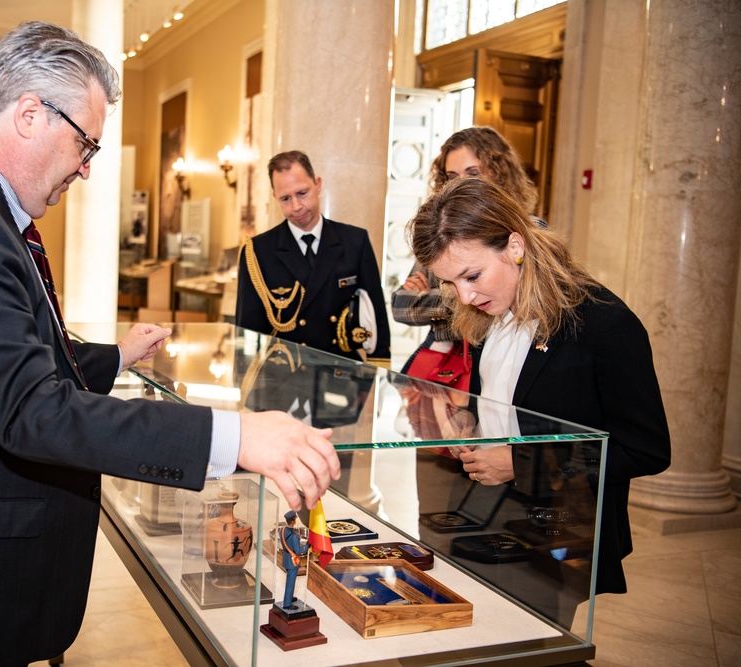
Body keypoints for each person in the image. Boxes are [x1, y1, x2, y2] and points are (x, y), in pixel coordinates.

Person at [0, 22, 340, 667]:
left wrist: (116, 357)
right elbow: (30, 409)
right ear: (30, 114)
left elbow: (17, 352)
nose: (87, 168)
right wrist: (234, 437)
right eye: (85, 143)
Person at [409, 177, 671, 603]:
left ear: (515, 246)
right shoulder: (492, 310)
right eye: (450, 284)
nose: (466, 295)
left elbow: (646, 450)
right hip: (487, 514)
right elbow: (499, 398)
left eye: (471, 275)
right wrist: (468, 420)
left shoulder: (605, 326)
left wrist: (520, 462)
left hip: (560, 531)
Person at [392, 126, 541, 374]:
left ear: (499, 173)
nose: (462, 183)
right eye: (452, 175)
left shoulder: (529, 230)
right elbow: (400, 305)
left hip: (496, 367)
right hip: (439, 366)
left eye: (473, 172)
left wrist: (437, 309)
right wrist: (466, 306)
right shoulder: (442, 231)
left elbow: (514, 310)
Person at [236, 150, 391, 362]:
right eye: (285, 198)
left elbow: (376, 315)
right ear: (275, 197)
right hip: (283, 377)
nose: (296, 207)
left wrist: (377, 378)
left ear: (317, 184)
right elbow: (247, 332)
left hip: (340, 375)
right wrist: (250, 387)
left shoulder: (355, 241)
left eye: (302, 193)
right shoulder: (258, 251)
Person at [280, 510, 309, 610]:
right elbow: (298, 551)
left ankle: (290, 597)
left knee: (290, 581)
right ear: (293, 521)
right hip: (293, 561)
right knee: (290, 582)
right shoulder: (294, 536)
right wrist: (307, 547)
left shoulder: (282, 530)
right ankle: (287, 603)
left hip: (286, 558)